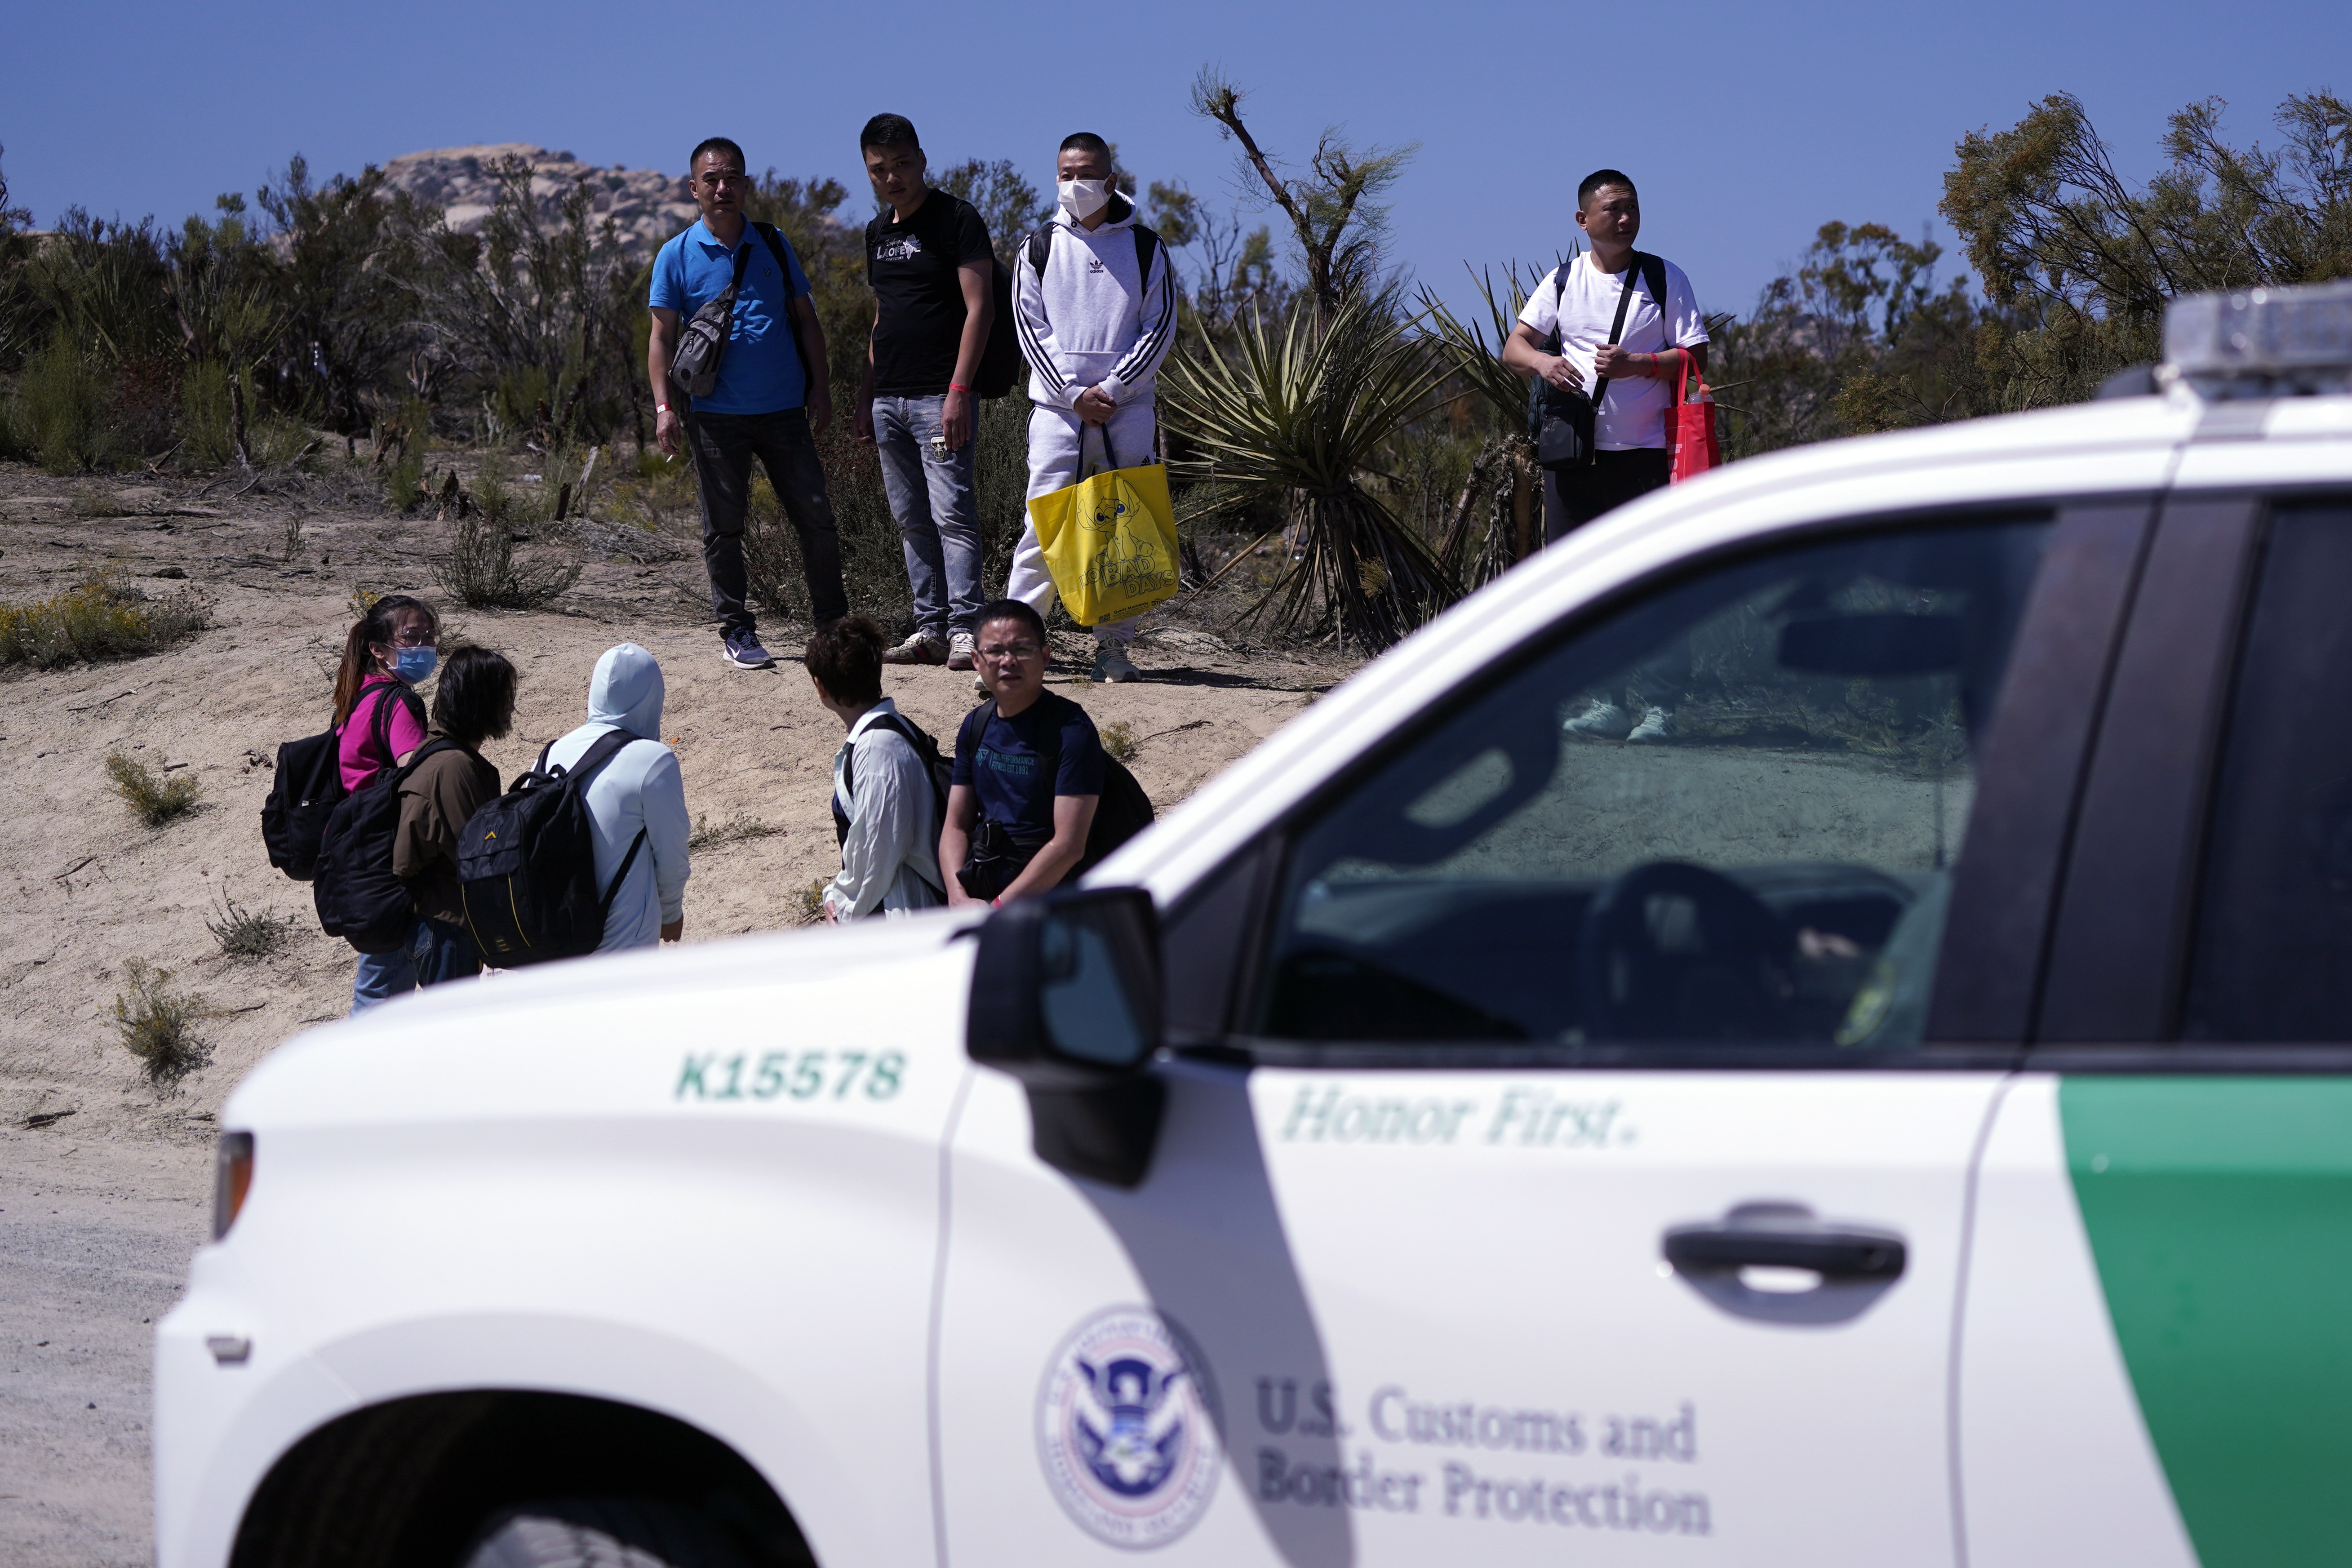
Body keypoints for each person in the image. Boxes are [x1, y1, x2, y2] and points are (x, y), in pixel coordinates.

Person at [1501, 168, 1709, 744]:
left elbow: (1696, 358)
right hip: (1574, 461)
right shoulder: (1564, 281)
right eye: (1613, 208)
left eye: (1632, 208)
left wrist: (1637, 365)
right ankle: (1607, 701)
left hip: (1646, 459)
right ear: (1582, 220)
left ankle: (1662, 708)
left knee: (1652, 583)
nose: (1625, 218)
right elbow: (1513, 346)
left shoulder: (1664, 278)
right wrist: (1543, 363)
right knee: (1580, 585)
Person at [648, 135, 848, 671]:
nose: (722, 188)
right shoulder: (676, 255)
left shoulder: (774, 243)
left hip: (785, 410)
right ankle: (737, 630)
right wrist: (665, 408)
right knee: (724, 528)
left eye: (731, 177)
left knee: (816, 519)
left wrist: (820, 389)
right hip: (715, 417)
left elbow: (807, 321)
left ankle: (832, 626)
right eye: (711, 180)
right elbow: (661, 339)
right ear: (693, 188)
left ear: (746, 183)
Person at [1007, 132, 1177, 685]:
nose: (1073, 184)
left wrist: (1116, 387)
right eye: (1063, 173)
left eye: (1083, 172)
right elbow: (1030, 331)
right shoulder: (1035, 247)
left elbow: (1159, 327)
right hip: (1057, 414)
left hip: (1126, 412)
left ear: (1110, 178)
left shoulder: (1147, 248)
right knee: (1043, 528)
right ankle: (1013, 648)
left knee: (1120, 528)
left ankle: (1114, 649)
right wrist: (1073, 394)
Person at [854, 115, 995, 674]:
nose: (892, 178)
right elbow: (881, 316)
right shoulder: (876, 233)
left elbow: (979, 308)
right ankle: (929, 629)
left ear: (921, 159)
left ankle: (965, 630)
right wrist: (868, 394)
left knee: (952, 514)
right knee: (909, 518)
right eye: (879, 169)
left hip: (941, 396)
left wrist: (960, 389)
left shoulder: (955, 218)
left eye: (901, 164)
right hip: (889, 397)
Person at [940, 599, 1105, 906]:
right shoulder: (976, 725)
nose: (1008, 660)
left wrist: (1001, 907)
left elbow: (1069, 845)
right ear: (976, 659)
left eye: (1022, 649)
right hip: (982, 889)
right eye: (995, 651)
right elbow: (956, 825)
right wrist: (958, 895)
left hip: (1052, 905)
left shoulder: (1071, 730)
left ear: (1045, 655)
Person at [542, 644, 692, 951]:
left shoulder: (551, 753)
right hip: (621, 950)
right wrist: (671, 911)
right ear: (654, 697)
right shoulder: (653, 760)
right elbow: (672, 855)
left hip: (553, 946)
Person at [389, 645, 518, 991]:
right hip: (445, 929)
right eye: (503, 698)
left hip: (438, 926)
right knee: (451, 1038)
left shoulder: (441, 753)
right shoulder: (455, 768)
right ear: (480, 701)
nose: (510, 708)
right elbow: (481, 857)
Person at [332, 592, 438, 1012]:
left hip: (361, 854)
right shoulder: (398, 704)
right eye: (412, 637)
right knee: (384, 996)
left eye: (429, 636)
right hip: (391, 861)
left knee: (377, 987)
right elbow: (419, 781)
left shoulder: (359, 694)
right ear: (378, 648)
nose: (424, 646)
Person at [809, 616, 946, 920]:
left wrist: (842, 906)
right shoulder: (893, 729)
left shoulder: (877, 748)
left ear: (820, 686)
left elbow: (879, 850)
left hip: (905, 915)